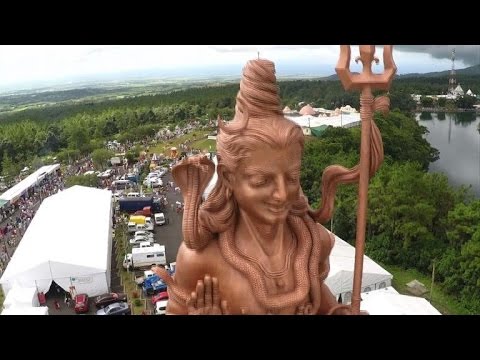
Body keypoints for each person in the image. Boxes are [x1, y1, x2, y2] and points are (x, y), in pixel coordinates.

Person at [153, 59, 352, 315]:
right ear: (227, 176)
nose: (282, 194)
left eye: (291, 178)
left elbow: (319, 295)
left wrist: (337, 310)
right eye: (262, 181)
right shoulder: (201, 259)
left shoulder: (315, 242)